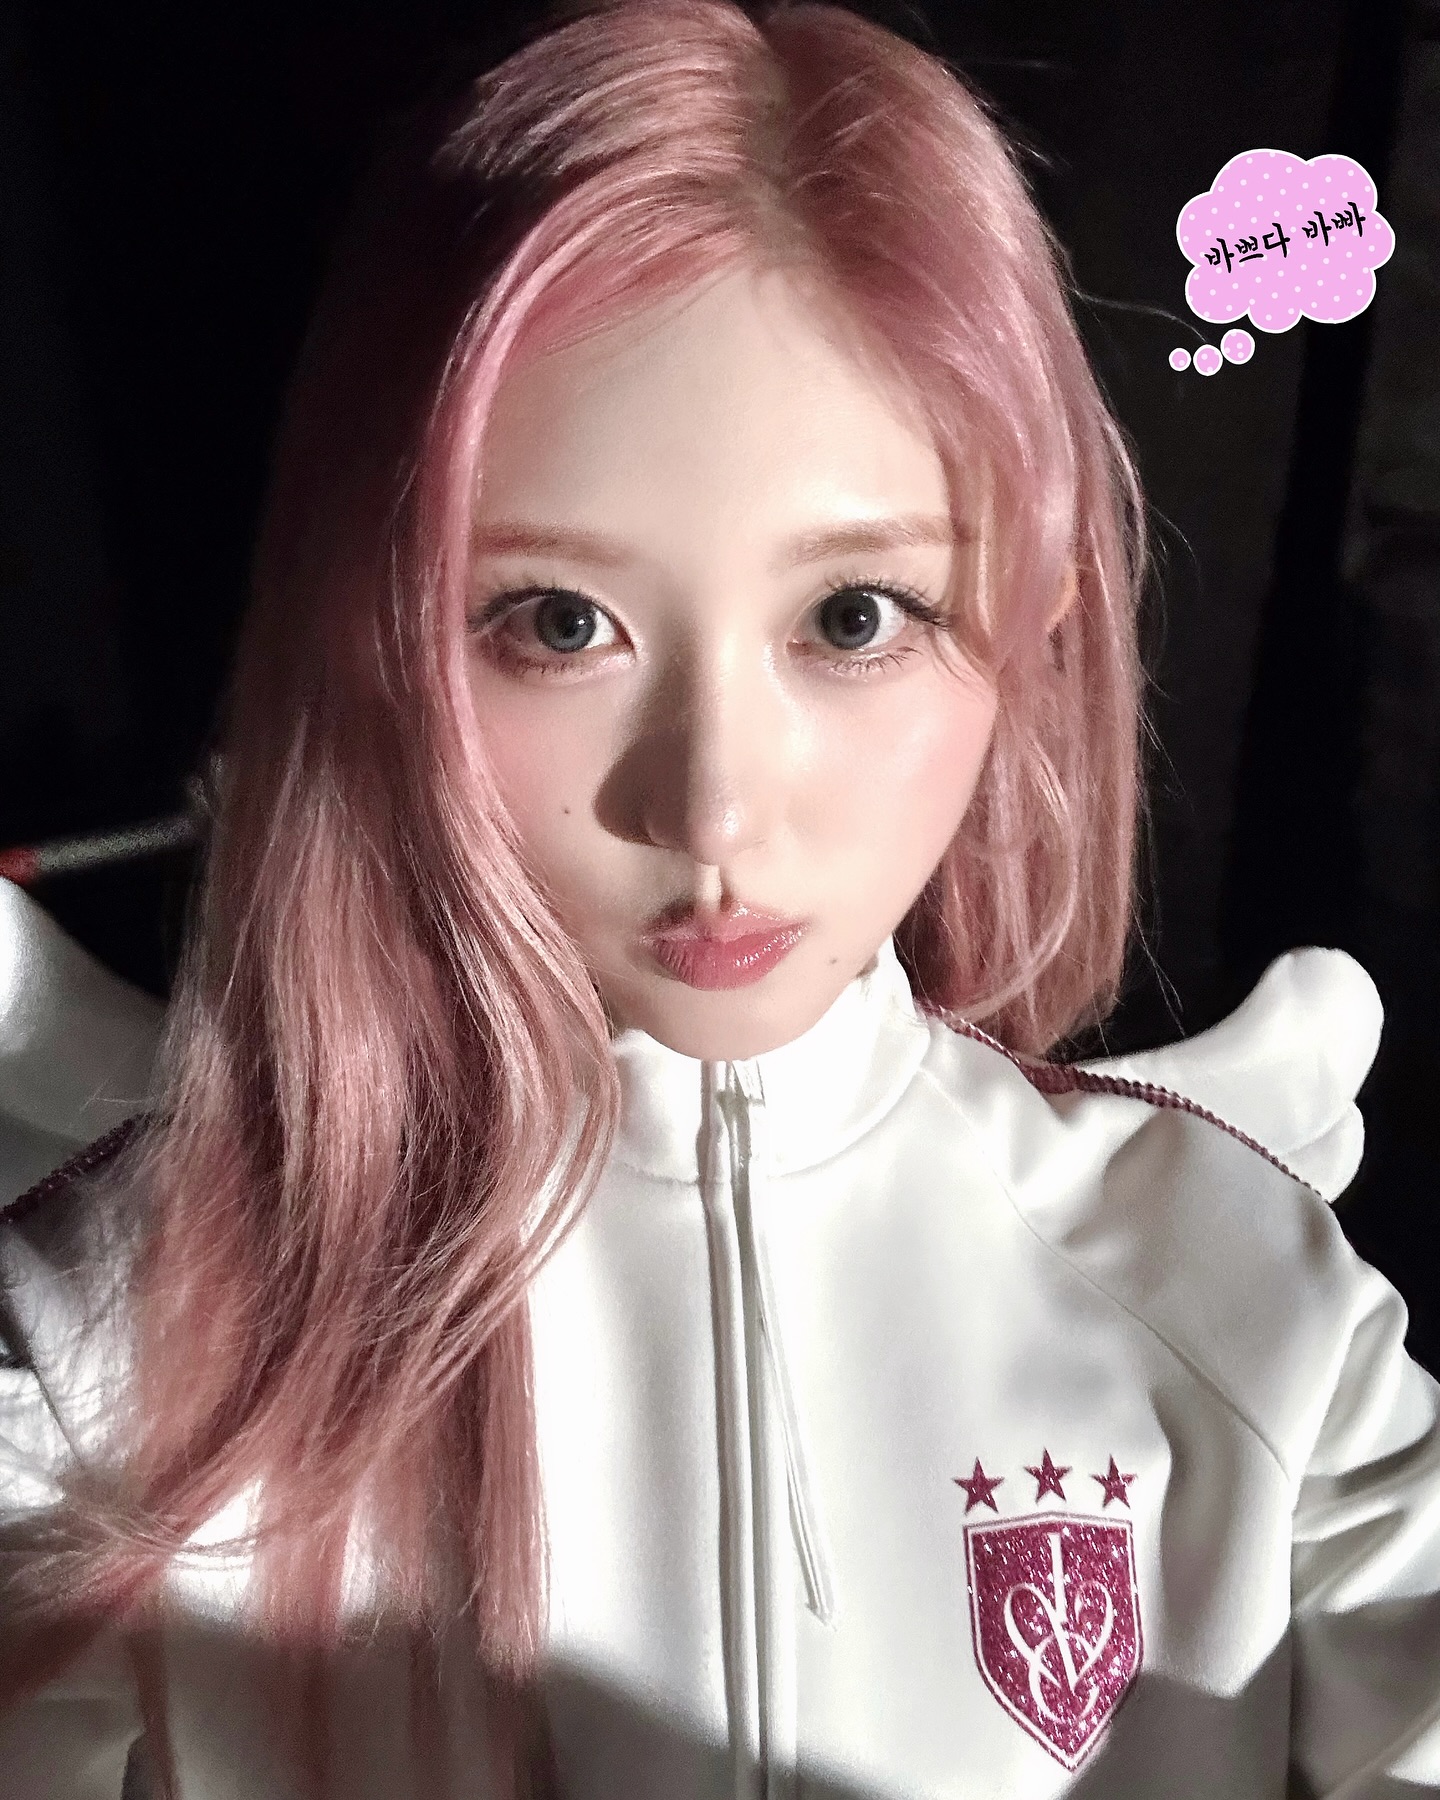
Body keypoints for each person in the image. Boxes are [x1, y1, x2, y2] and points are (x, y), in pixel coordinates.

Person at [2, 1, 1437, 1795]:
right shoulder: (128, 1344)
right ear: (370, 643)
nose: (711, 807)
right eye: (557, 623)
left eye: (855, 616)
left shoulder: (1229, 1289)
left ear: (1035, 619)